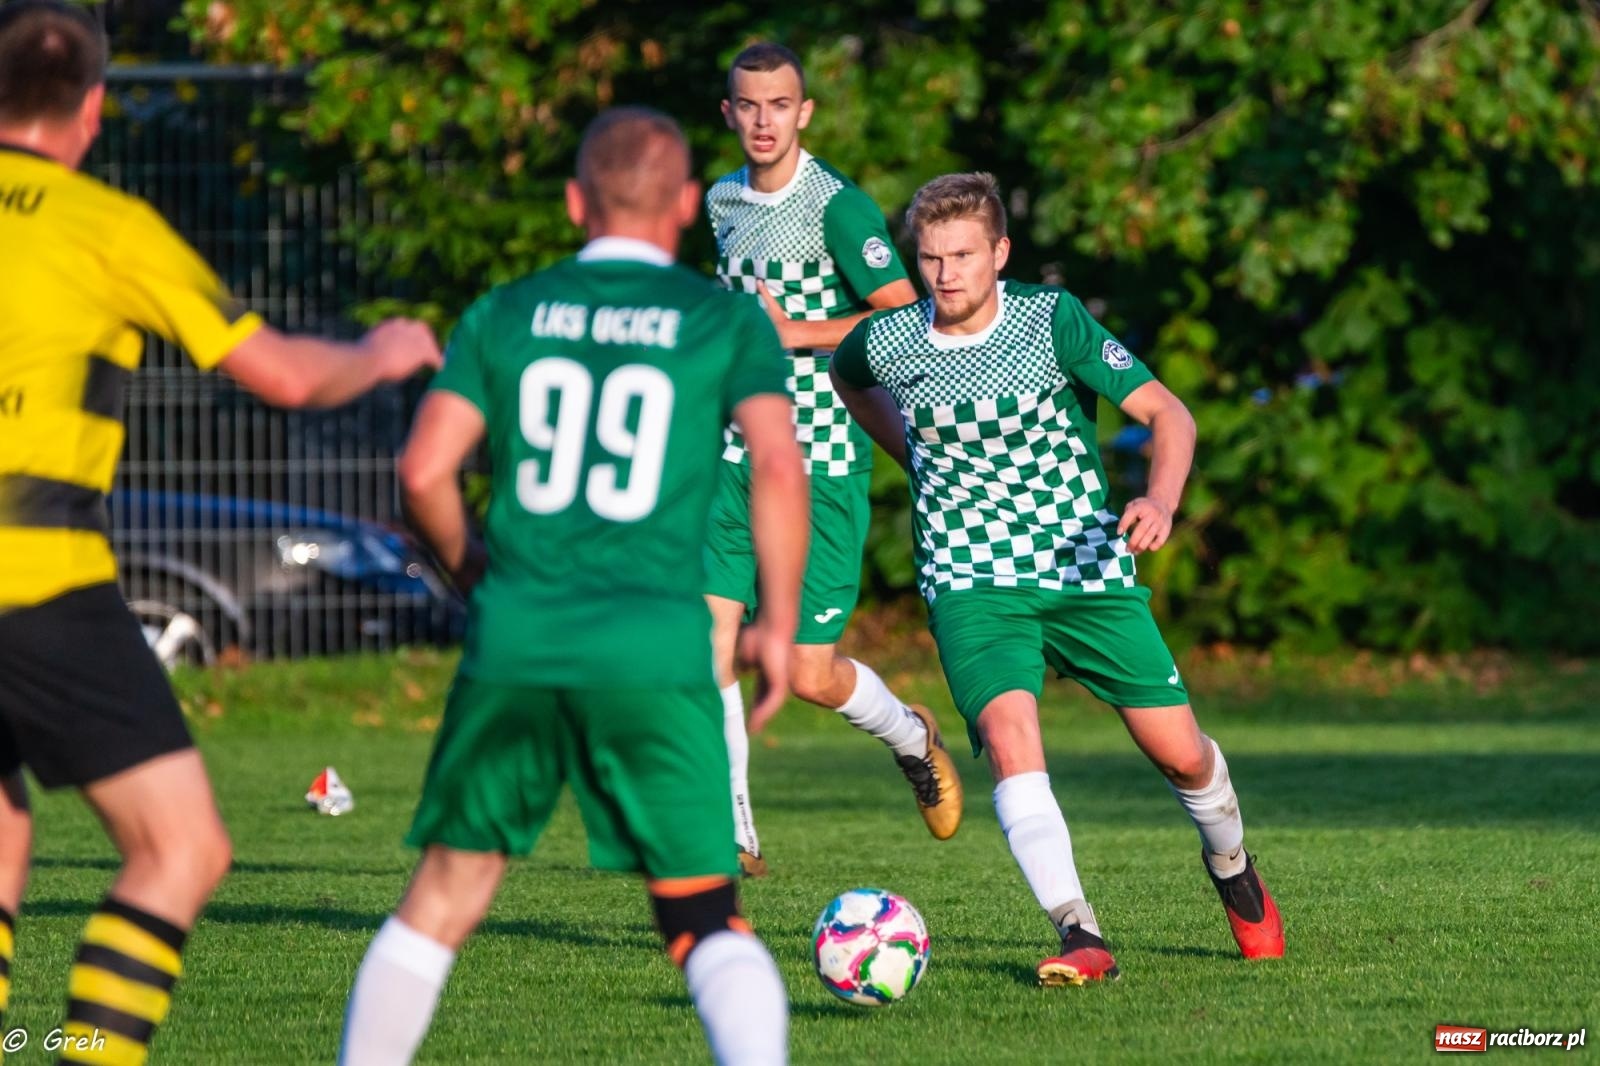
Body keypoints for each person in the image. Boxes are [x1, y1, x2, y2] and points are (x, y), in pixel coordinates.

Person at [0, 2, 442, 1060]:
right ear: (94, 108)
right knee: (182, 847)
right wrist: (382, 351)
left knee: (4, 830)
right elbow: (285, 375)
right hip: (36, 577)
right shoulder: (107, 227)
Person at [337, 107, 806, 1066]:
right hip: (654, 645)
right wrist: (781, 624)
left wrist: (473, 567)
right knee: (705, 918)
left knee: (439, 903)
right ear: (685, 205)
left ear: (573, 202)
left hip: (521, 634)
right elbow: (777, 465)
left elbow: (424, 470)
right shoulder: (724, 319)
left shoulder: (507, 311)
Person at [829, 172, 1284, 985]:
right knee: (1010, 738)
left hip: (1082, 566)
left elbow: (1168, 414)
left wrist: (1160, 498)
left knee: (1181, 758)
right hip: (970, 576)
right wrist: (909, 452)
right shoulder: (888, 338)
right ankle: (1079, 932)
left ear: (1000, 253)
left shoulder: (1051, 320)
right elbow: (847, 375)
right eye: (931, 258)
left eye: (963, 255)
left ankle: (1232, 865)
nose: (945, 275)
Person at [706, 42, 961, 876]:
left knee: (808, 672)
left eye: (779, 104)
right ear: (729, 113)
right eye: (748, 105)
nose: (763, 120)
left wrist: (795, 336)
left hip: (820, 462)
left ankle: (910, 736)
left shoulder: (838, 207)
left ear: (804, 112)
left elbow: (907, 317)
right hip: (736, 455)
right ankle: (731, 828)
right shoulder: (720, 202)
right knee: (704, 640)